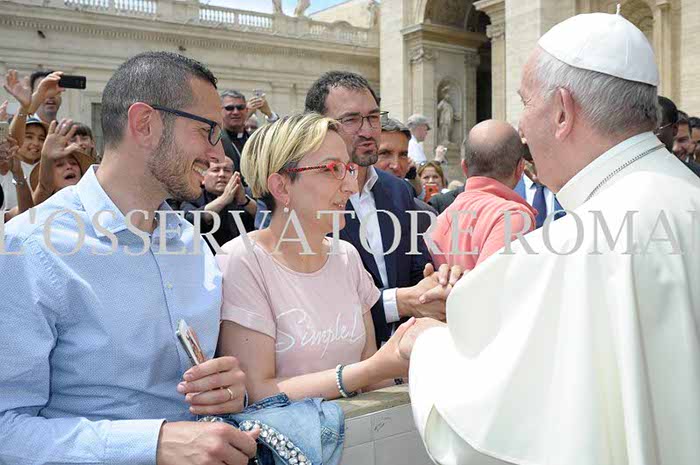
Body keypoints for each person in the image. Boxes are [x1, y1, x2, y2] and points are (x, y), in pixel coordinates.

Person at [401, 11, 700, 465]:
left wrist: (425, 343)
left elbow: (485, 433)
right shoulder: (688, 191)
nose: (521, 129)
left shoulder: (576, 245)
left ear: (562, 111)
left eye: (525, 103)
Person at [0, 51, 259, 465]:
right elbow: (5, 429)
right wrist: (153, 443)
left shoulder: (191, 243)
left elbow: (204, 383)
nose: (219, 154)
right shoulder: (30, 248)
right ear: (145, 124)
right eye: (207, 131)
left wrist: (229, 393)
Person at [216, 113, 412, 403]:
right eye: (332, 169)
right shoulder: (242, 260)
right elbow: (256, 391)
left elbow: (373, 379)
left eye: (348, 168)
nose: (351, 186)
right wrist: (373, 368)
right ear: (281, 186)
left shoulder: (346, 257)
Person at [304, 71, 449, 347]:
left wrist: (435, 284)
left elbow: (416, 271)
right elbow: (311, 302)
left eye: (373, 117)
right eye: (351, 120)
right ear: (317, 127)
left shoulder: (398, 190)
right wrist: (400, 302)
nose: (368, 131)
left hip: (403, 355)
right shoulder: (304, 197)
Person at [430, 120, 536, 270]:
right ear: (520, 168)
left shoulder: (440, 220)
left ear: (464, 168)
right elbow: (491, 281)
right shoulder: (513, 217)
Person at [181, 155, 257, 252]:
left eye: (227, 170)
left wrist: (244, 201)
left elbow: (266, 217)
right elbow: (187, 221)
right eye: (215, 170)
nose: (222, 174)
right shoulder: (194, 196)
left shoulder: (248, 194)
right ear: (203, 178)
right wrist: (223, 200)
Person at [28, 118, 96, 207]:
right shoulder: (42, 208)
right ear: (49, 176)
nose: (69, 166)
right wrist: (46, 157)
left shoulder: (95, 201)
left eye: (74, 163)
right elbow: (42, 190)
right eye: (60, 165)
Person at [0, 116, 46, 213]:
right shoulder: (6, 162)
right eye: (29, 137)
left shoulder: (48, 168)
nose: (36, 143)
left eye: (41, 139)